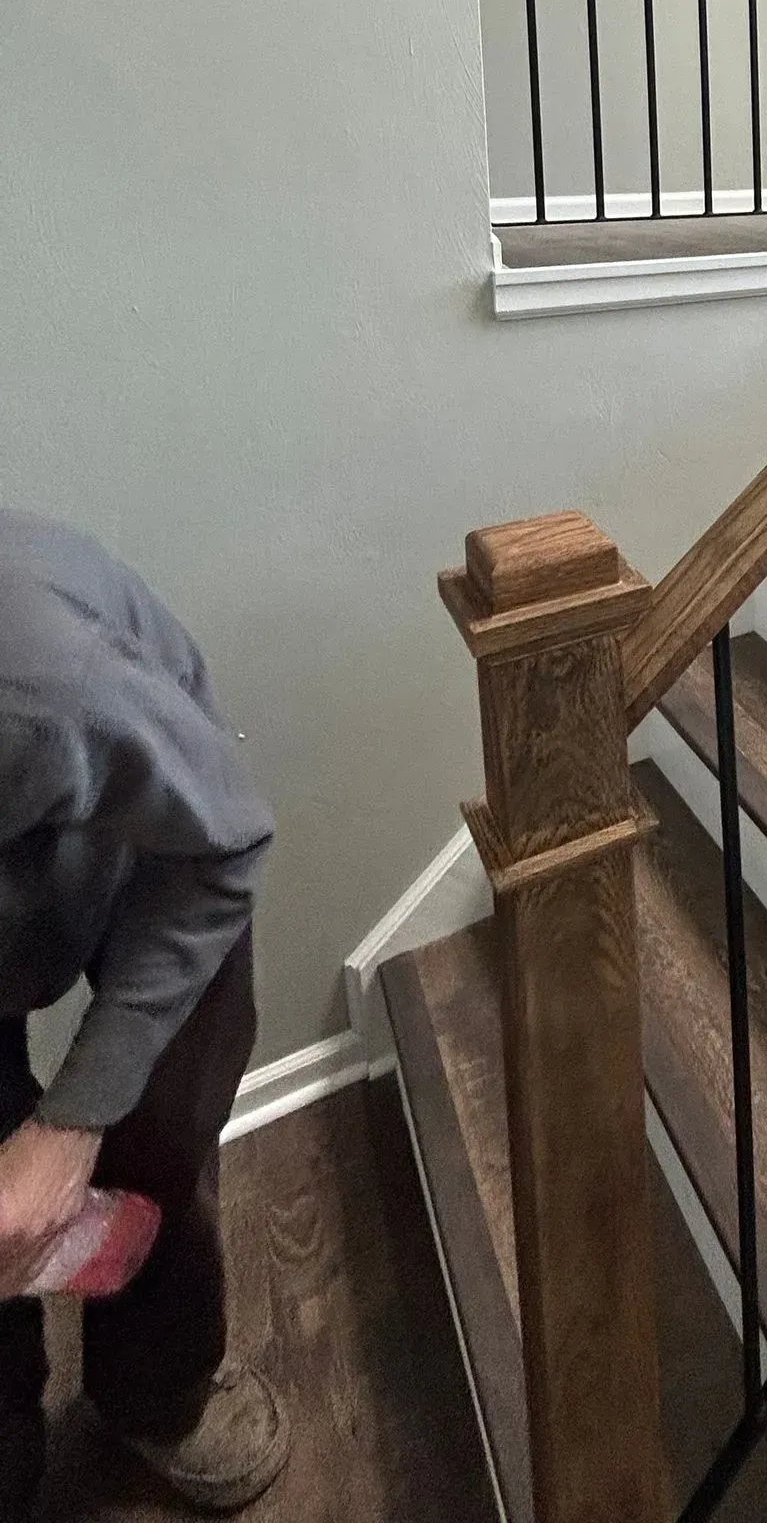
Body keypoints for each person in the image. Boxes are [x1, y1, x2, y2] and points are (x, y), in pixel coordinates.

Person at [0, 511, 286, 1512]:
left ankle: (154, 1397)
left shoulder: (39, 683)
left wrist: (71, 1121)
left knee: (156, 1142)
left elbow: (221, 847)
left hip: (167, 860)